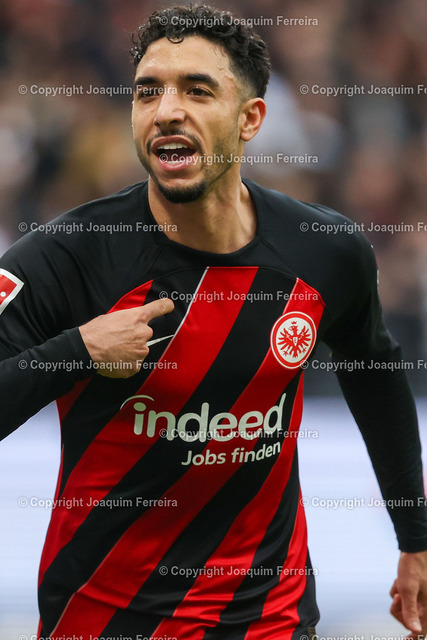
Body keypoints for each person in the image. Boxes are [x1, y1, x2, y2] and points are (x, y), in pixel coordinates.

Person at [1, 4, 427, 639]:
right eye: (148, 92)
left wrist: (416, 538)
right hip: (104, 620)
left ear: (251, 119)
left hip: (270, 619)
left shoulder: (324, 251)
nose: (167, 110)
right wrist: (77, 352)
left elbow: (376, 375)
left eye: (197, 91)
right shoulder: (66, 257)